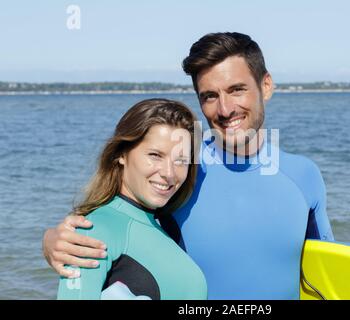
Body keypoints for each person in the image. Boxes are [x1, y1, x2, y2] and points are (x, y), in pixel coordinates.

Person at [44, 32, 333, 299]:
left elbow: (330, 270)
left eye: (236, 89)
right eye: (210, 96)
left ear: (265, 86)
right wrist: (52, 240)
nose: (225, 109)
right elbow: (120, 218)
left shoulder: (304, 176)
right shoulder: (184, 169)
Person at [57, 98, 207, 299]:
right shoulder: (95, 228)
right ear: (122, 154)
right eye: (155, 155)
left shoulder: (167, 224)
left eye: (181, 160)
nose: (169, 173)